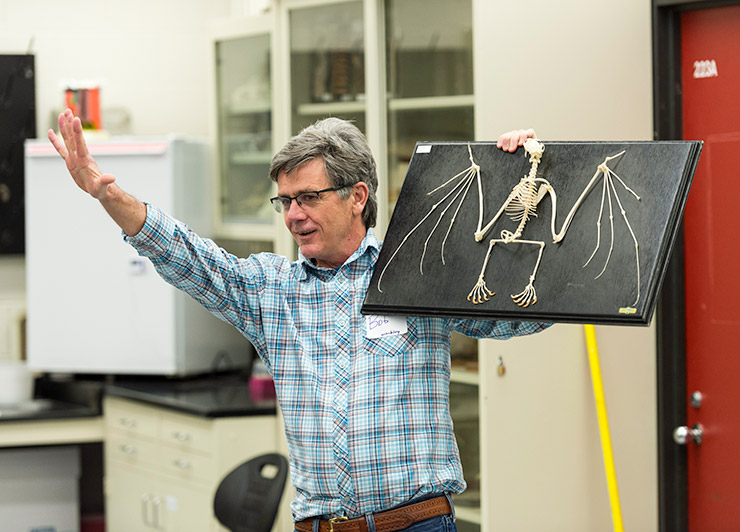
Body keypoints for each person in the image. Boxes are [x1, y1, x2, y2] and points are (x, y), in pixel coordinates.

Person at [48, 110, 547, 532]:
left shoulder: (416, 272)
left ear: (357, 196)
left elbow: (518, 319)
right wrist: (107, 197)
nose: (292, 215)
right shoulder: (272, 291)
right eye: (285, 200)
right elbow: (187, 256)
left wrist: (523, 182)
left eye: (308, 197)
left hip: (417, 524)